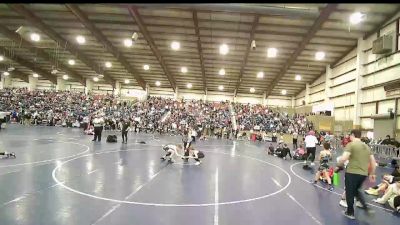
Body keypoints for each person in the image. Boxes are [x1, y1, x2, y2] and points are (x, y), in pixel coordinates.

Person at [336, 129, 376, 220]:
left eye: (350, 135)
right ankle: (366, 207)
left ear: (353, 135)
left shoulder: (351, 144)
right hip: (363, 174)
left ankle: (350, 212)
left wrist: (339, 165)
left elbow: (344, 158)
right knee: (356, 191)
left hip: (352, 172)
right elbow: (373, 161)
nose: (349, 137)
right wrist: (372, 173)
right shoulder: (366, 146)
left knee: (350, 192)